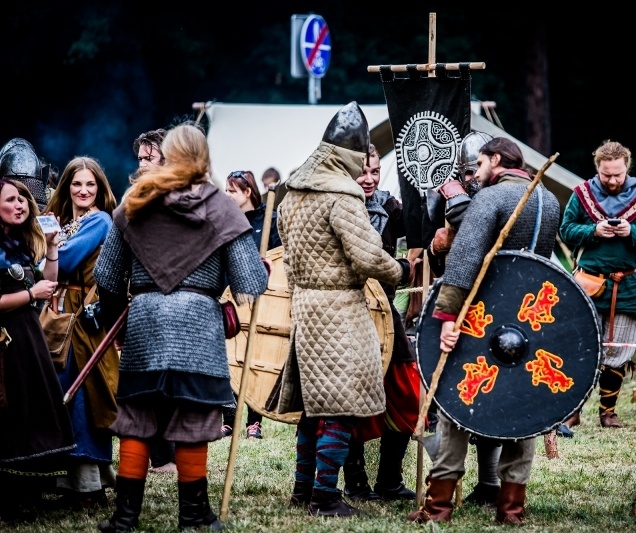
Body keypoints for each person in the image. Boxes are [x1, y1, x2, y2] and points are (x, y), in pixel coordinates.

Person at [94, 122, 268, 532]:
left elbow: (106, 275)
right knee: (191, 422)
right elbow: (250, 285)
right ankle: (193, 516)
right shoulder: (222, 207)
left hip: (145, 321)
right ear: (204, 158)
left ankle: (125, 518)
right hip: (197, 326)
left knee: (136, 420)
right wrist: (259, 269)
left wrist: (120, 319)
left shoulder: (137, 200)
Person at [408, 137, 561, 526]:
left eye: (479, 164)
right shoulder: (550, 199)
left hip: (481, 317)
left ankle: (438, 506)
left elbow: (463, 260)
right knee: (523, 406)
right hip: (528, 319)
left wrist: (445, 320)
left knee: (458, 401)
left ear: (496, 160)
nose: (476, 173)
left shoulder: (490, 200)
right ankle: (511, 509)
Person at [271, 102, 410, 518]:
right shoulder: (341, 195)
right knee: (340, 407)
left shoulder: (292, 194)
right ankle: (324, 496)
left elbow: (289, 258)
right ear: (348, 154)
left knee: (314, 407)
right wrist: (399, 269)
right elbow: (368, 258)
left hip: (305, 306)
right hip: (339, 309)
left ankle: (301, 488)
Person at [422, 130, 506, 504]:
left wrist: (456, 201)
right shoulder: (443, 194)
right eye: (468, 170)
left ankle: (489, 483)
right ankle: (443, 484)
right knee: (447, 395)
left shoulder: (497, 196)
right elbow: (437, 246)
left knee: (489, 393)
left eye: (478, 168)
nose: (473, 176)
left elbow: (479, 226)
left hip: (494, 304)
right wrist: (436, 246)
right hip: (452, 303)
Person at [559, 140, 636, 430]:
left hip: (627, 284)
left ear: (626, 167)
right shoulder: (582, 195)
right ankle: (573, 410)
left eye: (618, 174)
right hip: (588, 283)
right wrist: (593, 230)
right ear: (598, 168)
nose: (613, 180)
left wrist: (632, 230)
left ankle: (608, 412)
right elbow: (565, 229)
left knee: (618, 351)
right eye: (607, 175)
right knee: (581, 347)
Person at [342, 144, 419, 502]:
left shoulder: (390, 206)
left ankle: (389, 480)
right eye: (363, 172)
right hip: (345, 314)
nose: (370, 179)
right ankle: (356, 483)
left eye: (375, 171)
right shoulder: (336, 204)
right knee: (349, 400)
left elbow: (422, 228)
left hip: (386, 313)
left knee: (405, 394)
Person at [44, 156, 119, 509]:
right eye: (77, 184)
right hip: (60, 318)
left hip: (85, 320)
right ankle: (70, 481)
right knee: (64, 394)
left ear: (100, 188)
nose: (84, 190)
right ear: (67, 188)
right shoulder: (62, 222)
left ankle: (90, 486)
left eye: (90, 184)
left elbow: (65, 262)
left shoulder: (100, 220)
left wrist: (48, 246)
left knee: (85, 396)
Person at [0, 178, 72, 523]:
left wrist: (52, 247)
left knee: (29, 413)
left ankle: (24, 492)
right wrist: (31, 295)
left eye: (23, 199)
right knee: (8, 415)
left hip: (27, 339)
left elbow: (48, 284)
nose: (20, 205)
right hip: (4, 342)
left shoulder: (19, 244)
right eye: (11, 199)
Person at [130, 127, 177, 475]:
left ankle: (169, 456)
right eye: (141, 157)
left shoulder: (181, 196)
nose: (143, 163)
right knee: (149, 383)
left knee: (172, 384)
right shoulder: (133, 199)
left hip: (177, 301)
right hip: (144, 301)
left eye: (150, 157)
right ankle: (159, 457)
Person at [222, 169, 281, 439]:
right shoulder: (225, 222)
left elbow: (279, 259)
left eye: (232, 190)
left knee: (256, 359)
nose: (227, 195)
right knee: (231, 357)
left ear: (247, 193)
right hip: (231, 299)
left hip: (262, 299)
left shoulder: (269, 222)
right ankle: (229, 419)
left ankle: (254, 422)